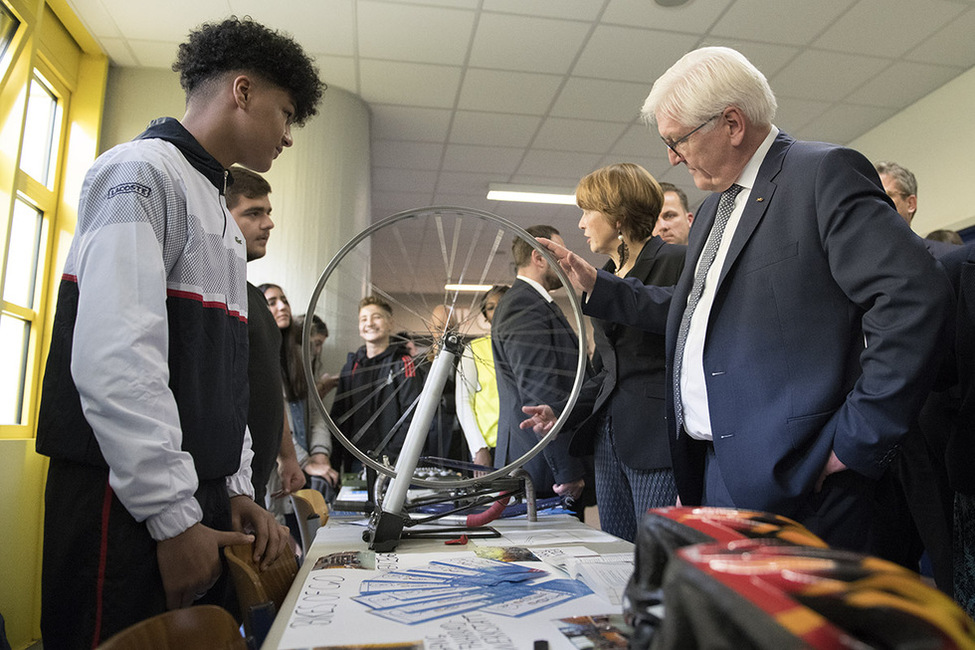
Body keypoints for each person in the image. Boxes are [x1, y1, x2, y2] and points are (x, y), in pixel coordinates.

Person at [537, 46, 951, 552]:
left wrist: (859, 439)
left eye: (678, 140)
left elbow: (913, 297)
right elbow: (694, 313)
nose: (671, 156)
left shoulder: (822, 173)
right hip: (715, 466)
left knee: (800, 629)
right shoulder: (714, 210)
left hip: (804, 473)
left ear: (732, 123)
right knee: (738, 625)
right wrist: (601, 288)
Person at [34, 17, 324, 647]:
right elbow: (116, 359)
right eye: (285, 113)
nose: (288, 136)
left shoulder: (216, 211)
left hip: (197, 501)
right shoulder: (140, 171)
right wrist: (173, 519)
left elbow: (220, 377)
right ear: (242, 92)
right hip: (126, 503)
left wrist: (236, 489)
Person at [521, 163, 685, 542]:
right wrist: (561, 412)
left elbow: (672, 313)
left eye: (587, 211)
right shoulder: (605, 275)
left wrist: (599, 284)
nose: (580, 224)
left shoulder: (677, 261)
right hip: (608, 446)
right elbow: (607, 374)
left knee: (655, 561)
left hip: (656, 441)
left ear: (619, 216)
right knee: (617, 552)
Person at [492, 225, 591, 511]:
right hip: (542, 468)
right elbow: (540, 391)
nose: (564, 263)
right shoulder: (524, 305)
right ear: (538, 257)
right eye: (557, 256)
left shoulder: (532, 303)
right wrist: (567, 470)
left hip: (537, 462)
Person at [225, 166, 304, 507]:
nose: (268, 223)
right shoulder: (216, 297)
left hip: (256, 480)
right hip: (228, 483)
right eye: (253, 213)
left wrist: (287, 456)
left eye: (268, 213)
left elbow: (271, 388)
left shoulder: (254, 298)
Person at [330, 296, 422, 470]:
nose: (369, 323)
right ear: (359, 327)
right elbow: (338, 416)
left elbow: (413, 416)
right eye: (364, 319)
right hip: (356, 462)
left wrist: (388, 456)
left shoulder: (403, 363)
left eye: (377, 317)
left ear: (390, 323)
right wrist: (335, 462)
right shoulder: (351, 366)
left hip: (394, 462)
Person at [455, 285, 508, 468]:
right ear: (485, 316)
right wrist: (478, 448)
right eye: (491, 307)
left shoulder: (527, 347)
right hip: (490, 447)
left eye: (502, 304)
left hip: (526, 442)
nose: (497, 310)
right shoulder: (474, 350)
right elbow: (463, 402)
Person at [875, 160, 958, 258]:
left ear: (910, 204)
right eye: (874, 197)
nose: (877, 203)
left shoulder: (948, 255)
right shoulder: (859, 263)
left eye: (887, 196)